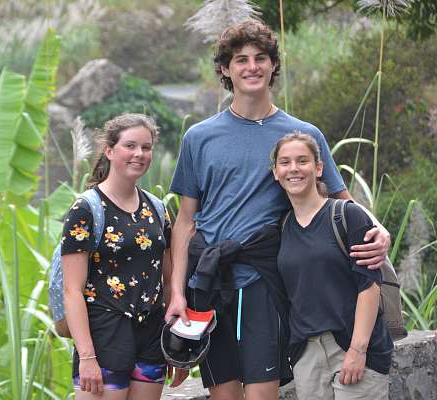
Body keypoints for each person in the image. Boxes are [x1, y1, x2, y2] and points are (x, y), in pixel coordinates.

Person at [165, 19, 391, 400]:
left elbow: (340, 198)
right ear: (225, 69)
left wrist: (378, 228)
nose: (252, 67)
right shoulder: (198, 137)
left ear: (272, 66)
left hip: (267, 281)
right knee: (223, 394)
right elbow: (185, 222)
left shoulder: (301, 134)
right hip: (210, 283)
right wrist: (177, 294)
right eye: (241, 60)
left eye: (260, 58)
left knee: (261, 393)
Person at [62, 113, 187, 399]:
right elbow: (72, 291)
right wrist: (87, 357)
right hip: (105, 333)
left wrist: (175, 345)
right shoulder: (86, 209)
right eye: (130, 146)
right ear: (109, 150)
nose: (139, 154)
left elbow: (167, 282)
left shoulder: (156, 208)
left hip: (151, 333)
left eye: (146, 147)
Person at [271, 132, 393, 399]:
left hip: (352, 346)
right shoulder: (281, 228)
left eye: (302, 161)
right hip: (307, 357)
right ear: (275, 172)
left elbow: (369, 286)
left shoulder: (347, 216)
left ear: (318, 168)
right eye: (285, 162)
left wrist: (357, 350)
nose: (293, 169)